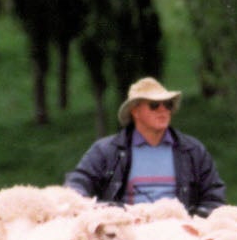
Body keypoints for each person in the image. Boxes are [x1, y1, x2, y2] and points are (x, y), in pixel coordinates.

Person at [64, 77, 226, 216]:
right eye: (154, 105)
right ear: (135, 111)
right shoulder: (106, 150)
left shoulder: (193, 150)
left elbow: (214, 196)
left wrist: (195, 220)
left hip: (178, 235)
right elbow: (77, 185)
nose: (163, 110)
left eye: (168, 104)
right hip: (126, 236)